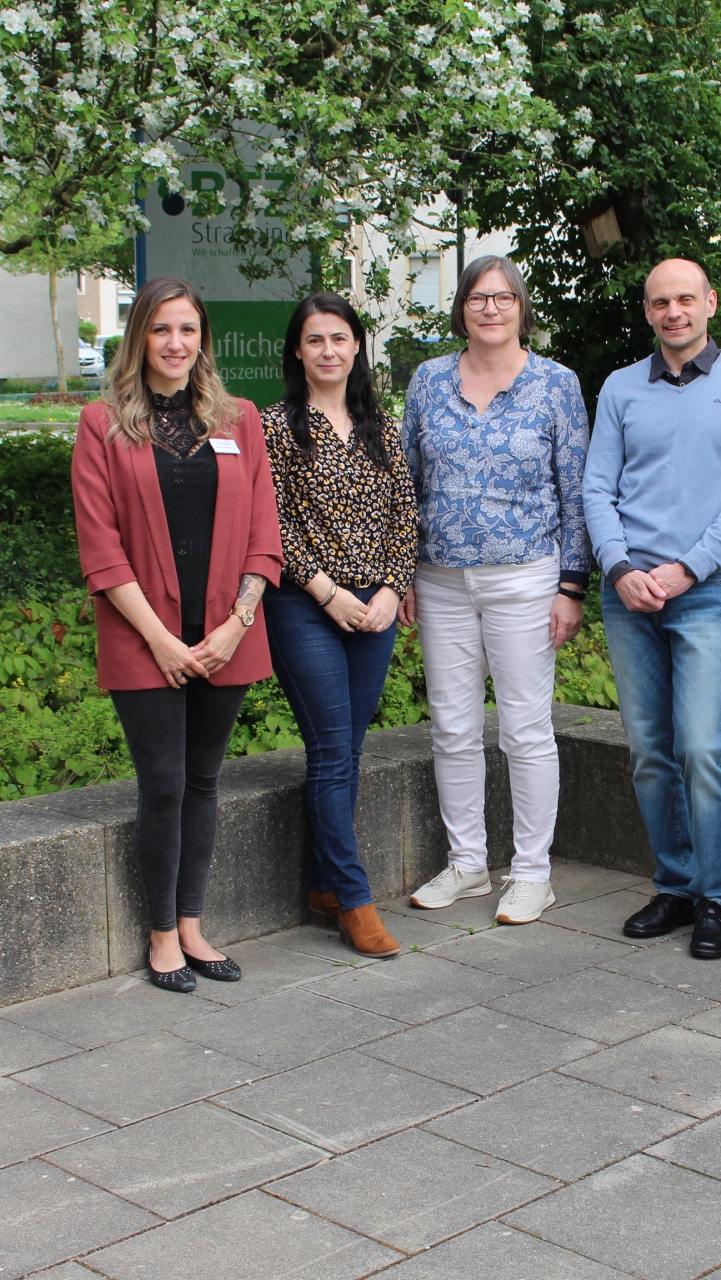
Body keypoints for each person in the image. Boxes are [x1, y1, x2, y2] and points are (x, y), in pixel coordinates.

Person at [71, 277, 283, 994]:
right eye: (161, 330)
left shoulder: (239, 419)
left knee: (203, 779)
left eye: (188, 330)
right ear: (139, 338)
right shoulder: (103, 425)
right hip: (144, 638)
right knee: (162, 783)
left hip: (226, 635)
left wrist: (237, 622)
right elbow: (100, 549)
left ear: (203, 339)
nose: (175, 344)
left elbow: (264, 533)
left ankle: (193, 924)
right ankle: (161, 934)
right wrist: (160, 638)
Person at [584, 257, 721, 960]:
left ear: (710, 304)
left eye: (686, 299)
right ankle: (674, 885)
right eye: (661, 302)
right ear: (647, 311)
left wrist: (686, 567)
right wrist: (619, 566)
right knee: (649, 753)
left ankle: (715, 900)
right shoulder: (620, 388)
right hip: (628, 593)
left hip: (706, 593)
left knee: (702, 747)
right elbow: (596, 488)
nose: (674, 312)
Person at [400, 255, 590, 926]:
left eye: (503, 297)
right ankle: (468, 864)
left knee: (524, 729)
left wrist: (572, 585)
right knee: (451, 727)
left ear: (521, 307)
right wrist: (403, 574)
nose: (490, 308)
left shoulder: (555, 384)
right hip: (442, 578)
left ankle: (533, 873)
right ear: (462, 308)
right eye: (478, 298)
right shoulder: (428, 381)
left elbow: (576, 492)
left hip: (526, 577)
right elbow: (407, 485)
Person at [262, 293, 418, 958]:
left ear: (357, 348)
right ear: (297, 352)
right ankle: (355, 900)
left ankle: (325, 886)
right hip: (305, 604)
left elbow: (406, 515)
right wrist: (327, 592)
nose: (329, 350)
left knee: (349, 749)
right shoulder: (273, 427)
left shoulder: (381, 427)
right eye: (315, 339)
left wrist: (390, 588)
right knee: (330, 750)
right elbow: (268, 522)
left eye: (340, 339)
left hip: (374, 607)